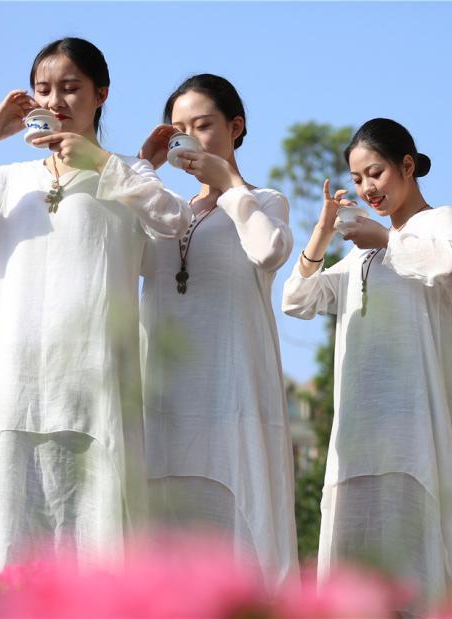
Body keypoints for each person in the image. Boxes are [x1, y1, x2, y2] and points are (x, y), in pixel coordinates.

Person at [0, 37, 189, 592]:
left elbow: (173, 221)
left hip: (94, 396)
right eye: (43, 89)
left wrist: (108, 164)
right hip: (13, 396)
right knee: (10, 554)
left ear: (100, 94)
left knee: (97, 554)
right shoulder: (4, 183)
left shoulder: (127, 178)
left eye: (70, 88)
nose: (56, 99)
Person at [282, 118, 452, 611]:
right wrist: (323, 232)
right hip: (359, 428)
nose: (368, 188)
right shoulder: (360, 255)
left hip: (414, 421)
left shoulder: (437, 223)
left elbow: (451, 264)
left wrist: (384, 240)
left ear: (407, 166)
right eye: (360, 179)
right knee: (356, 555)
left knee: (416, 547)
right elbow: (297, 299)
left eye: (377, 173)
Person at [136, 74, 297, 587]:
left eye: (202, 125)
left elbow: (269, 250)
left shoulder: (262, 201)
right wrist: (144, 167)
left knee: (240, 549)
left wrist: (228, 186)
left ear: (235, 127)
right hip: (164, 408)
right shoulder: (166, 213)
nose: (190, 137)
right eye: (178, 129)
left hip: (230, 404)